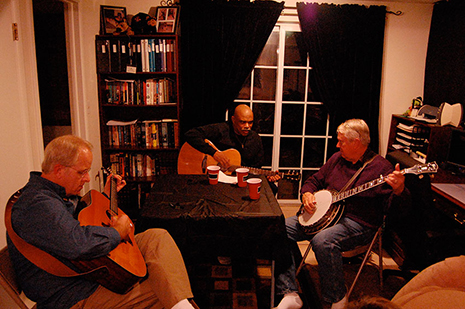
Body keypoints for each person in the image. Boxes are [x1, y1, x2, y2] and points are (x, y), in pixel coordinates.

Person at [7, 135, 197, 309]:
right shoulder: (38, 204)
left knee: (156, 237)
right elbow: (78, 243)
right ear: (58, 170)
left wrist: (106, 197)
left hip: (89, 275)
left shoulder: (56, 195)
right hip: (70, 295)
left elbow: (72, 226)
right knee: (164, 288)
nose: (87, 178)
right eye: (82, 172)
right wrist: (117, 232)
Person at [275, 119, 408, 309]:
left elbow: (396, 211)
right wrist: (307, 194)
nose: (337, 145)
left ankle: (337, 298)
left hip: (360, 222)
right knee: (279, 228)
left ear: (356, 142)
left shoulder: (382, 169)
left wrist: (399, 190)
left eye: (341, 141)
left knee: (323, 241)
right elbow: (314, 180)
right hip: (325, 216)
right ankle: (289, 292)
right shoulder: (337, 159)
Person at [184, 104, 281, 186]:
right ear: (233, 120)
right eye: (242, 122)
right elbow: (191, 134)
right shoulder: (221, 130)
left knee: (271, 188)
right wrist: (214, 153)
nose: (247, 126)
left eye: (250, 122)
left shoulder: (255, 139)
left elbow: (257, 169)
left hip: (238, 180)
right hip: (214, 180)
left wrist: (268, 176)